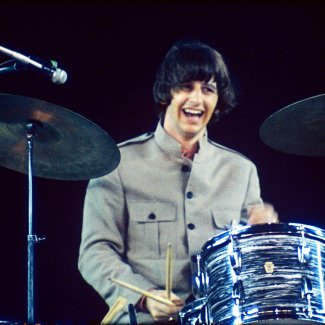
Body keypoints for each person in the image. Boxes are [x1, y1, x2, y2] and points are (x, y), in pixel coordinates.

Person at [78, 39, 278, 324]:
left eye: (208, 89)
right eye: (186, 87)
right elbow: (94, 253)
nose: (197, 99)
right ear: (166, 94)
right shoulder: (116, 164)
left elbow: (254, 271)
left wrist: (262, 239)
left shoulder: (242, 170)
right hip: (143, 318)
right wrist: (144, 296)